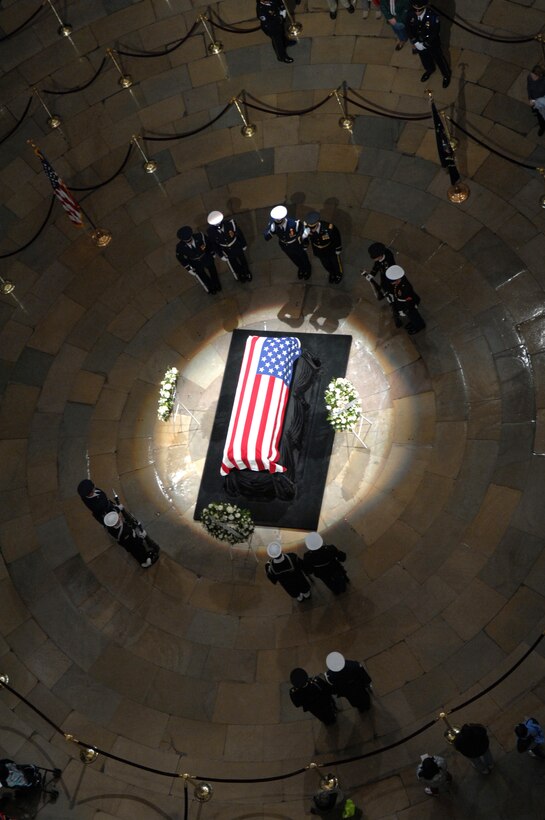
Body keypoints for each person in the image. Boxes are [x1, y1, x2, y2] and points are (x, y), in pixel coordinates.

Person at [406, 1, 450, 88]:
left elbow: (435, 32)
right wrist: (415, 42)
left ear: (424, 7)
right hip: (419, 42)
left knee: (439, 59)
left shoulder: (433, 16)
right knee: (424, 58)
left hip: (432, 43)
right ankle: (430, 70)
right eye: (415, 10)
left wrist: (425, 44)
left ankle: (446, 75)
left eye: (420, 10)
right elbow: (408, 28)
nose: (417, 12)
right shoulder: (410, 13)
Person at [263, 205, 311, 279]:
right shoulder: (273, 224)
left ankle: (307, 269)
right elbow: (266, 237)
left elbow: (303, 233)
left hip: (296, 244)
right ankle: (301, 268)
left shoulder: (295, 223)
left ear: (283, 219)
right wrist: (271, 231)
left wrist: (305, 244)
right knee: (294, 258)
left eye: (279, 221)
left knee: (303, 257)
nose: (277, 223)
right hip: (285, 246)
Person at [207, 210, 252, 282]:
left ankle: (247, 272)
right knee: (234, 263)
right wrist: (221, 255)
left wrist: (243, 244)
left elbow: (239, 234)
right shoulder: (210, 231)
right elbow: (214, 244)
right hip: (226, 250)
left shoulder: (230, 223)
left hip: (236, 245)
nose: (217, 223)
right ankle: (241, 274)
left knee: (243, 260)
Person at [175, 226, 221, 294]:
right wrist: (188, 268)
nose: (189, 242)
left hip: (206, 257)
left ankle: (217, 284)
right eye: (187, 241)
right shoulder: (180, 247)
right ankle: (211, 287)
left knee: (213, 272)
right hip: (195, 262)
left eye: (190, 240)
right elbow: (180, 258)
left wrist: (212, 252)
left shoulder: (200, 236)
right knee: (203, 276)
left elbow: (209, 243)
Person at [303, 212, 343, 284]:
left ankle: (338, 274)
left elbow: (336, 237)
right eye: (310, 228)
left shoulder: (328, 228)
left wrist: (338, 248)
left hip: (330, 249)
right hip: (318, 250)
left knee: (336, 262)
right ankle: (332, 273)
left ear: (317, 223)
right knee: (325, 264)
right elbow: (305, 238)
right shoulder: (307, 228)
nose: (312, 230)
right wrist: (305, 243)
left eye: (313, 227)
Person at [385, 265, 425, 335]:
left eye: (393, 282)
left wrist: (405, 309)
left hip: (410, 305)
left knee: (414, 315)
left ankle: (420, 326)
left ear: (397, 279)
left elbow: (408, 300)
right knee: (411, 317)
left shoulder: (405, 288)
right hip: (405, 303)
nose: (392, 283)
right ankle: (414, 323)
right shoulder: (399, 282)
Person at [527, 65, 545, 136]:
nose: (532, 76)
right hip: (535, 101)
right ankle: (542, 127)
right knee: (539, 117)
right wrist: (530, 98)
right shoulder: (529, 77)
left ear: (539, 76)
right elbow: (528, 88)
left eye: (534, 76)